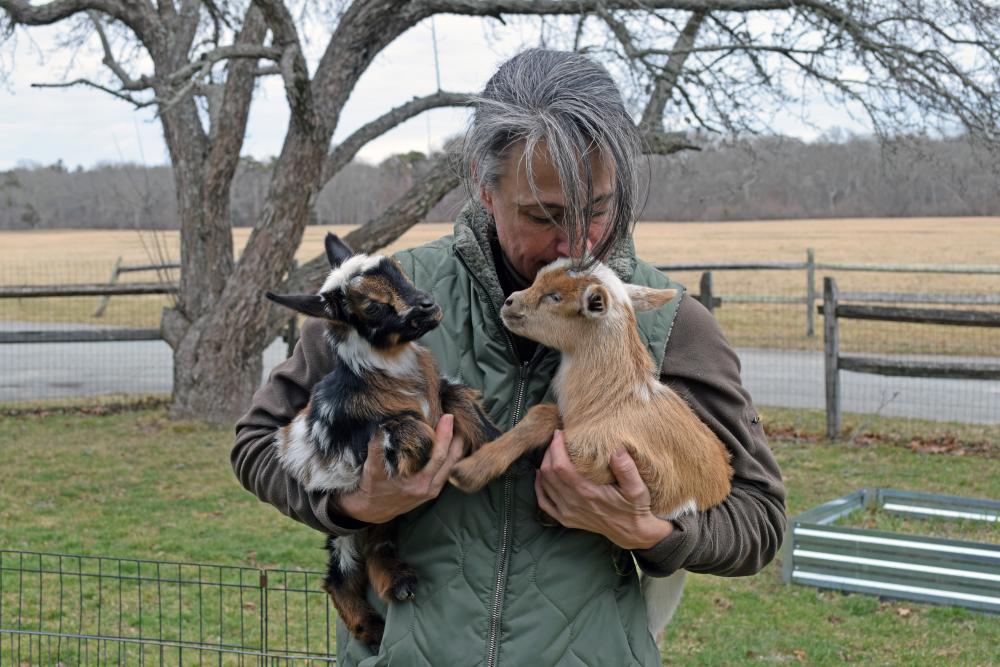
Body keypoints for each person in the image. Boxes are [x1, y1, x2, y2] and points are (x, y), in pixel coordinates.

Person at [233, 48, 785, 667]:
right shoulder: (389, 302)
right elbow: (255, 443)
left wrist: (647, 533)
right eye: (542, 214)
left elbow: (759, 521)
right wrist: (355, 505)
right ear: (482, 182)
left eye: (598, 209)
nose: (575, 242)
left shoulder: (671, 322)